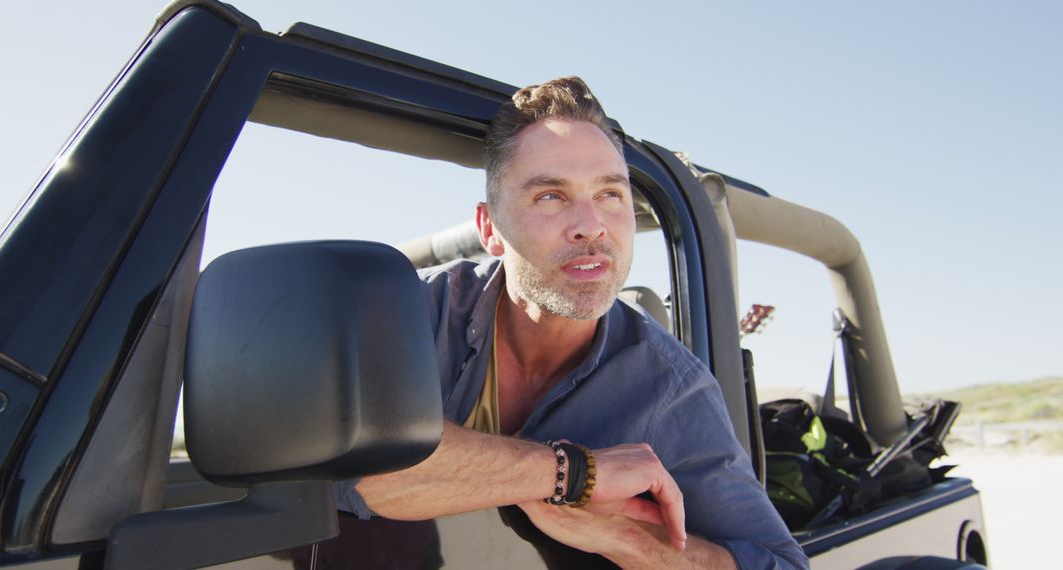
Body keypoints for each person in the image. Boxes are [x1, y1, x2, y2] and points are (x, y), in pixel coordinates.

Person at [337, 77, 808, 569]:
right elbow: (355, 470)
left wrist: (625, 538)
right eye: (551, 197)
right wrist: (572, 474)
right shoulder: (411, 315)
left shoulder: (670, 388)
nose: (591, 224)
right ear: (489, 228)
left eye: (610, 194)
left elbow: (783, 563)